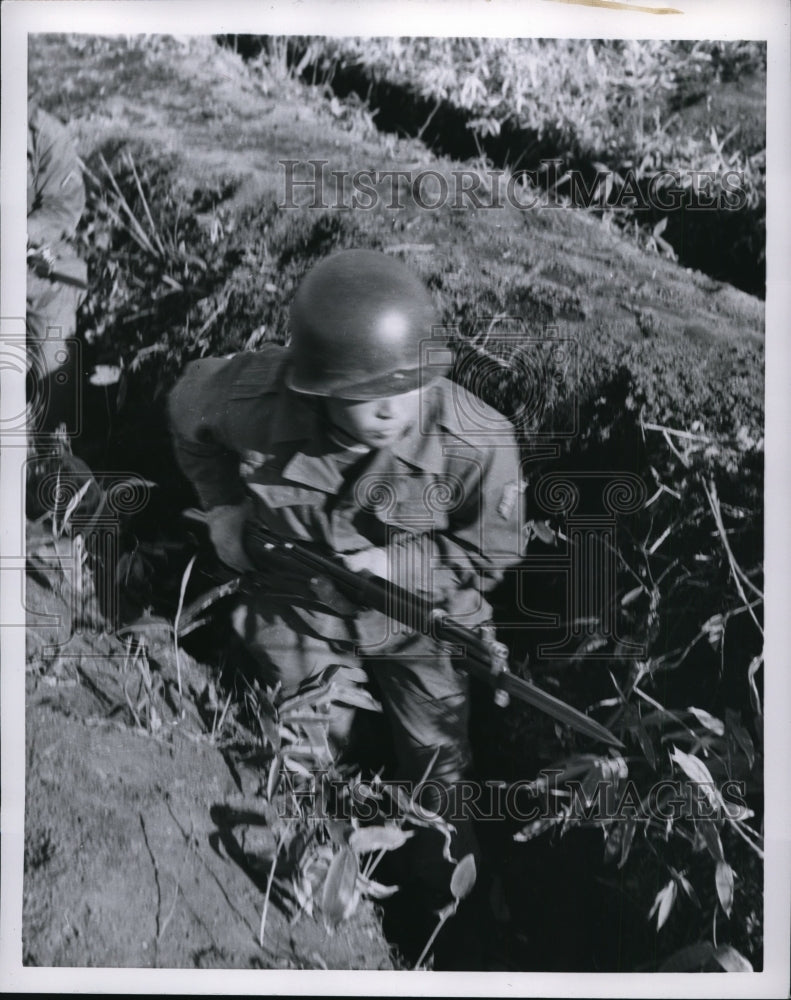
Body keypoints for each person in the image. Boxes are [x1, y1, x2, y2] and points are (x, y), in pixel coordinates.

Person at [167, 249, 524, 929]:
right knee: (298, 754)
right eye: (369, 396)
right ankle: (320, 880)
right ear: (321, 388)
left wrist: (398, 568)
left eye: (410, 386)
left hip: (423, 622)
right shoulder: (255, 400)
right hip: (297, 607)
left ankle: (445, 917)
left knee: (437, 775)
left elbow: (493, 550)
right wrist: (222, 507)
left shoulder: (476, 441)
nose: (393, 410)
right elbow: (186, 409)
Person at [27, 97, 88, 435]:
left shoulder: (45, 134)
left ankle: (52, 446)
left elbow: (64, 206)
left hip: (31, 258)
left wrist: (22, 232)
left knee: (59, 301)